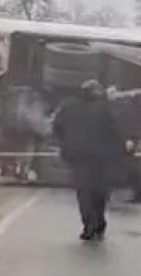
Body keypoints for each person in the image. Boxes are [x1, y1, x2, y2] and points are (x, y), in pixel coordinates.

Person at [53, 79, 125, 241]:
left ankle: (89, 224)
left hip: (78, 156)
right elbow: (117, 130)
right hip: (102, 157)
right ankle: (99, 221)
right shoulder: (105, 108)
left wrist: (66, 141)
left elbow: (57, 126)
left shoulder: (68, 106)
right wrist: (120, 151)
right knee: (99, 190)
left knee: (83, 191)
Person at [123, 136, 141, 204]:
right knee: (134, 185)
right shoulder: (128, 155)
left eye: (128, 146)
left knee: (136, 184)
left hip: (134, 171)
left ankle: (138, 198)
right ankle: (137, 197)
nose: (127, 147)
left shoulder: (133, 155)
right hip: (133, 171)